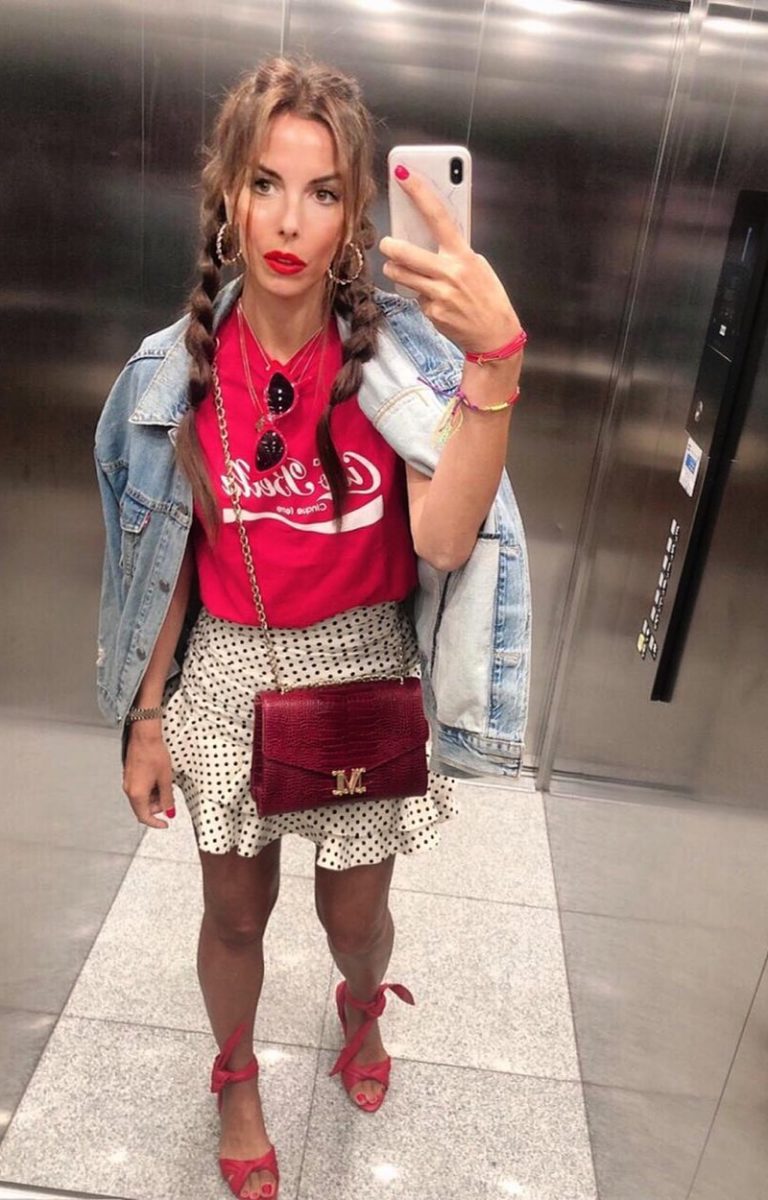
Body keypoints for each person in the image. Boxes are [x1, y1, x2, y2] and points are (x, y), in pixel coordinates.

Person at [94, 54, 529, 1200]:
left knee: (355, 917)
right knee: (234, 915)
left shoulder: (397, 363)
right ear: (229, 197)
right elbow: (165, 565)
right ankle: (235, 1075)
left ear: (353, 213)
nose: (291, 221)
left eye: (324, 191)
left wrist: (494, 364)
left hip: (360, 661)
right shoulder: (170, 376)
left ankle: (360, 1001)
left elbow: (445, 540)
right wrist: (147, 718)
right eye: (266, 184)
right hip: (230, 664)